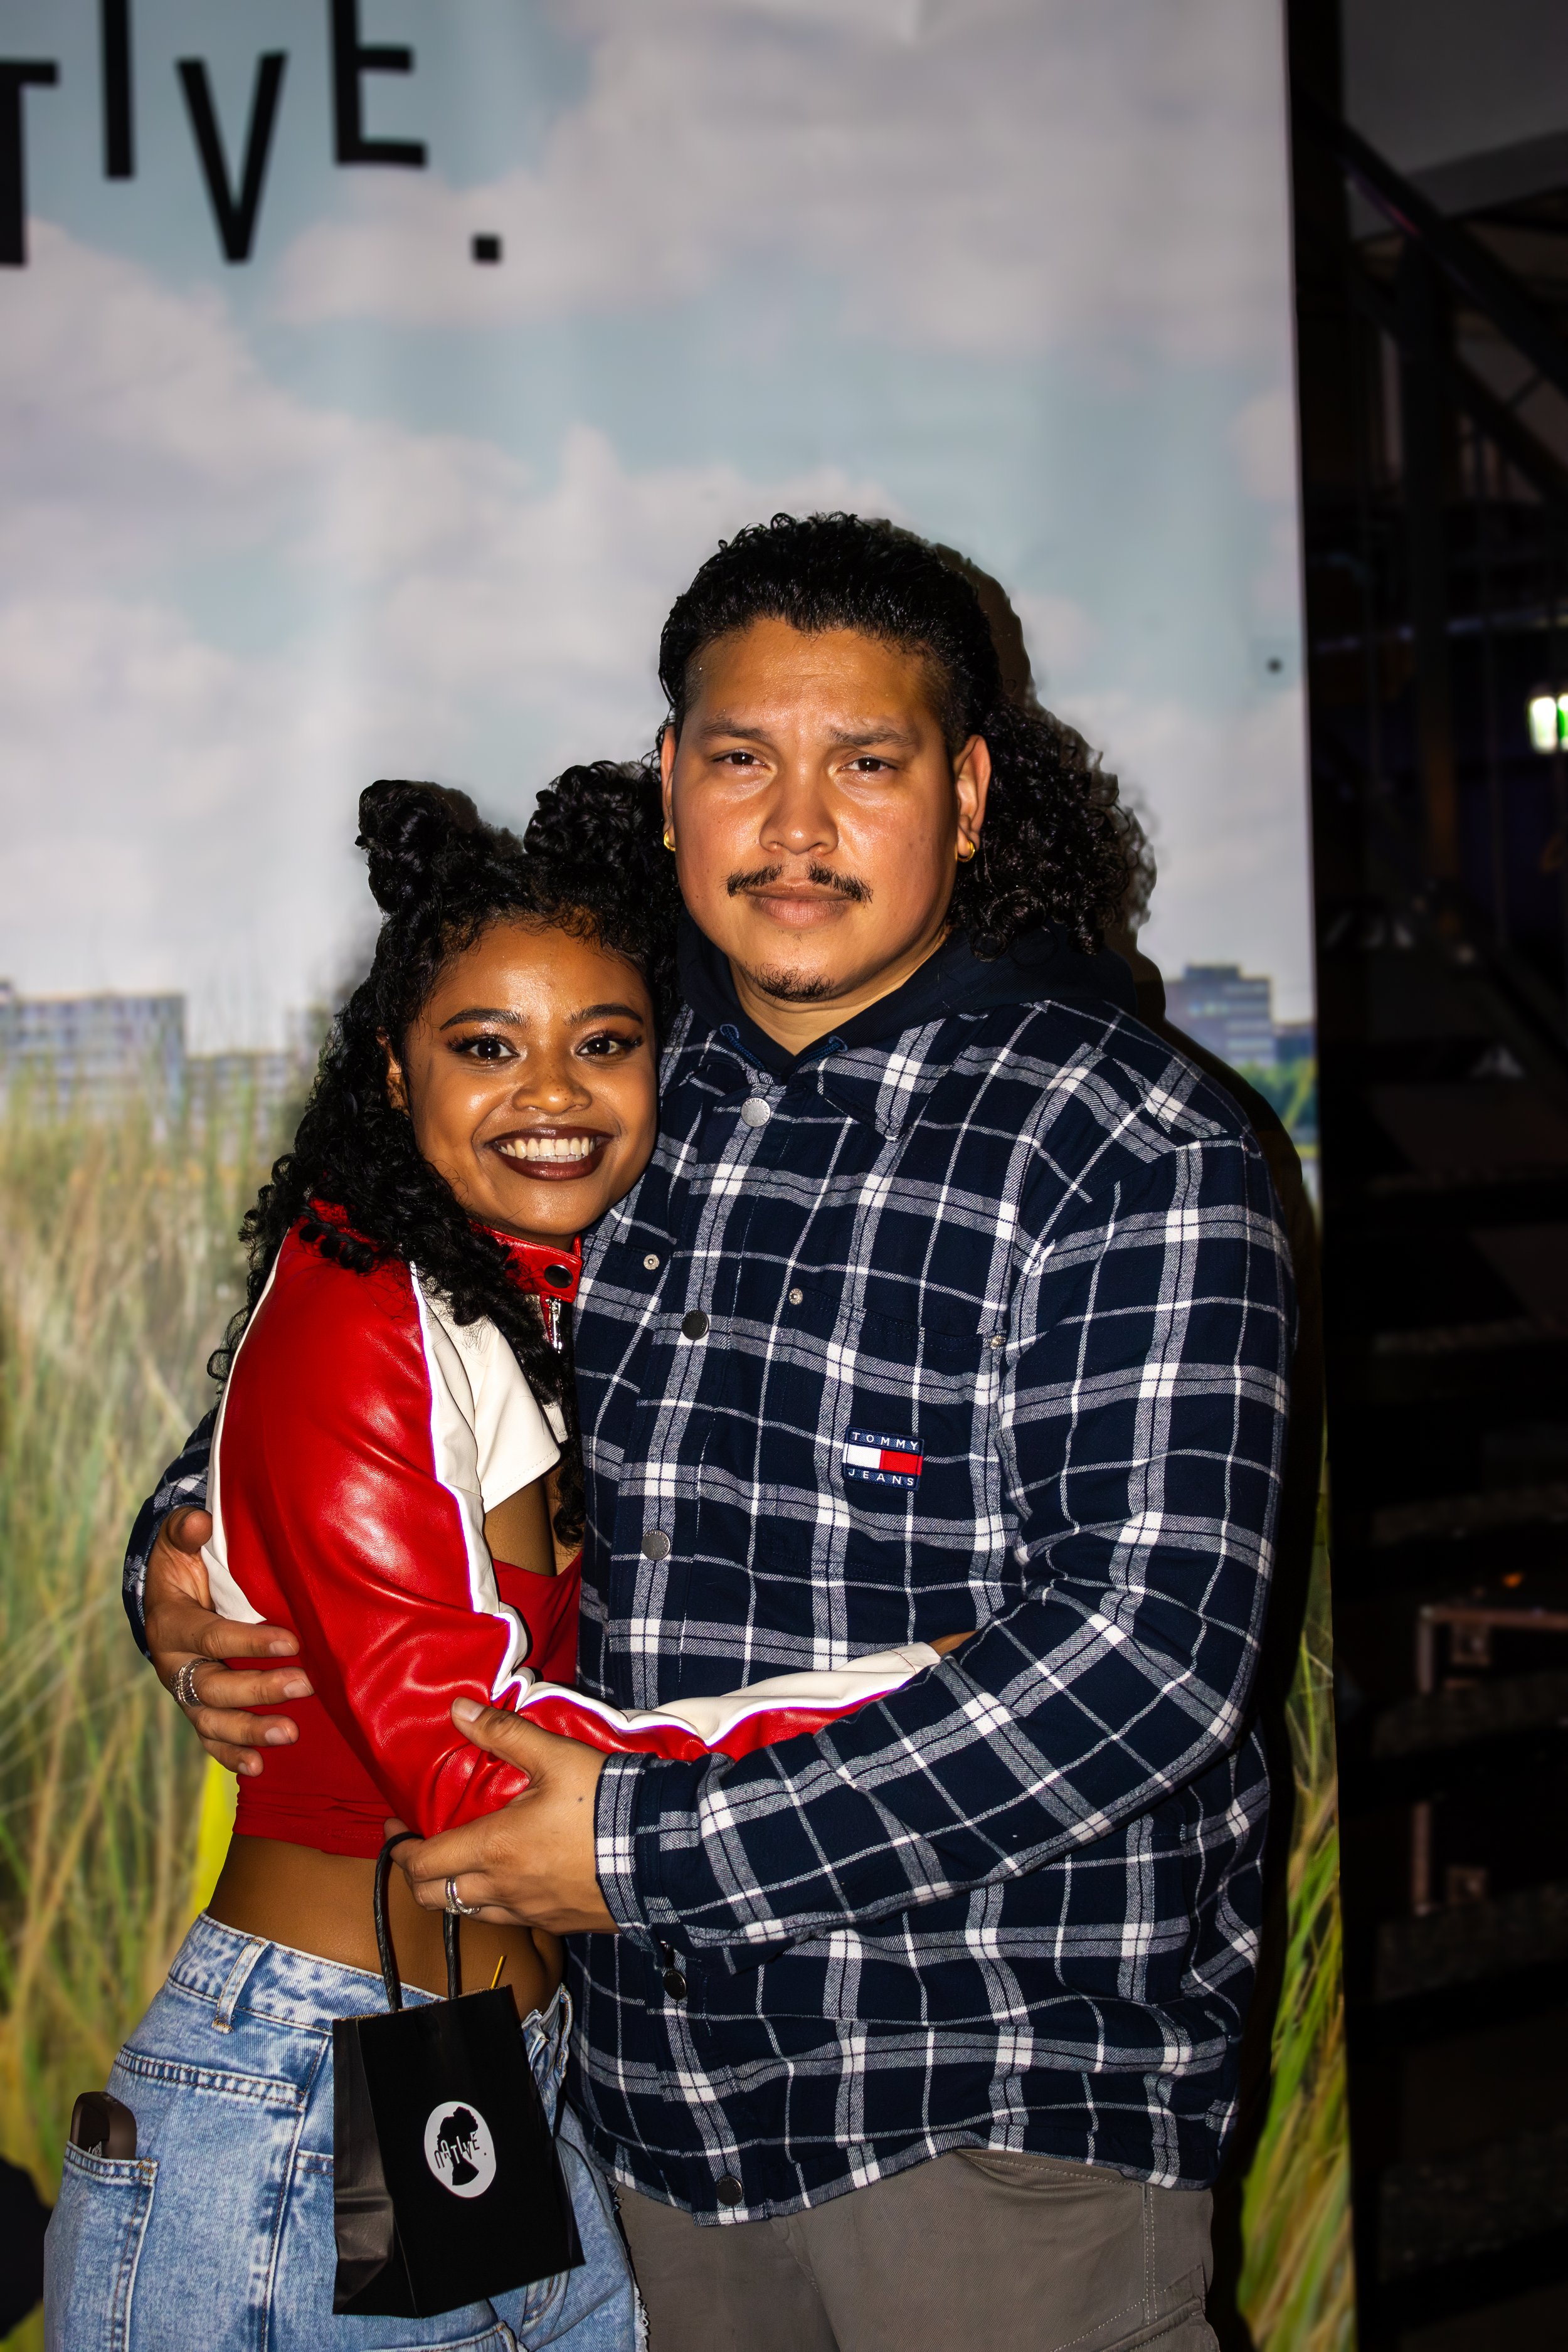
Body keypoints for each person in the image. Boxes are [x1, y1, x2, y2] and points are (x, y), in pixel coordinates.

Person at [128, 515, 1294, 2352]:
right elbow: (362, 1370)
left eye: (867, 763)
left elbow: (1145, 1659)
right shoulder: (609, 1067)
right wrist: (186, 1557)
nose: (798, 824)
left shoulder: (1126, 1142)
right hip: (635, 2099)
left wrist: (646, 1847)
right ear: (672, 781)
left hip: (982, 2102)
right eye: (744, 758)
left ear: (969, 793)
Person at [46, 781, 660, 2352]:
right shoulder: (362, 1302)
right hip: (304, 2093)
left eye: (603, 1041)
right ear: (392, 1071)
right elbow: (481, 1782)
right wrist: (872, 1706)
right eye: (484, 1044)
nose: (553, 1091)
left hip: (499, 2083)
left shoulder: (526, 1313)